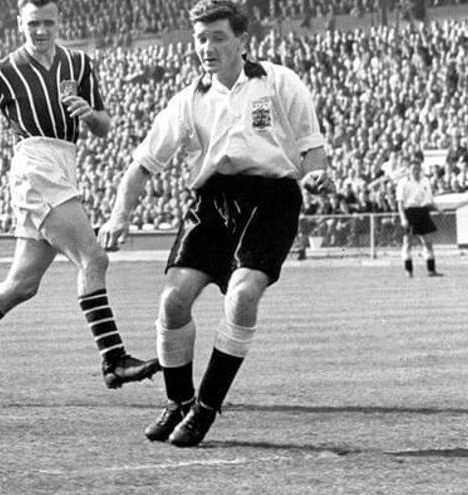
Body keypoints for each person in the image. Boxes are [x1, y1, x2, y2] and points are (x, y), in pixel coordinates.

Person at [97, 0, 332, 447]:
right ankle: (178, 404)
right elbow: (142, 165)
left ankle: (205, 408)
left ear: (243, 41)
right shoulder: (189, 100)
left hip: (272, 198)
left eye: (218, 37)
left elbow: (311, 149)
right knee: (172, 301)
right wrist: (119, 215)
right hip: (212, 201)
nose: (207, 47)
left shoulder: (280, 82)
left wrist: (318, 174)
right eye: (201, 38)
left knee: (242, 295)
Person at [0, 0, 160, 400]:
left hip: (65, 160)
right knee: (93, 259)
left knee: (22, 284)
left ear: (58, 22)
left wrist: (89, 114)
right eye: (33, 24)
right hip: (35, 164)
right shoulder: (2, 71)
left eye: (48, 23)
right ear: (20, 24)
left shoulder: (79, 65)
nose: (41, 31)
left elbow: (103, 126)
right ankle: (114, 360)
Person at [396, 154, 442, 278]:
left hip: (422, 212)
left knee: (428, 242)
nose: (416, 171)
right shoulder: (403, 183)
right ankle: (408, 271)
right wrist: (403, 218)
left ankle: (431, 270)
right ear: (409, 170)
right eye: (413, 169)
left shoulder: (425, 181)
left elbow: (429, 200)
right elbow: (400, 203)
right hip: (409, 212)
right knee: (408, 243)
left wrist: (437, 209)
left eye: (418, 169)